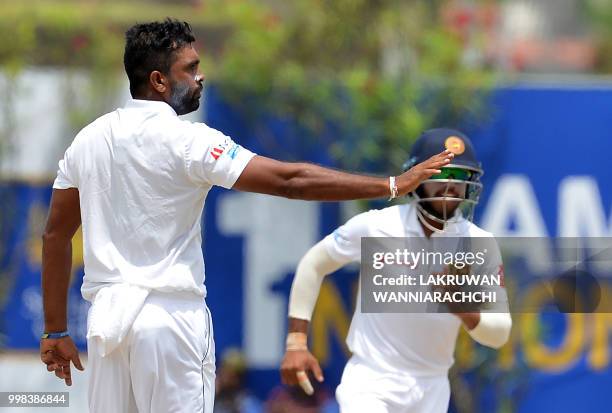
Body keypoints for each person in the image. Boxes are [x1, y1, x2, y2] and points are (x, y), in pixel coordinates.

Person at [39, 19, 453, 413]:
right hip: (170, 319)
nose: (201, 77)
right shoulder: (190, 141)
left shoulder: (88, 141)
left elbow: (55, 236)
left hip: (108, 323)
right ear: (158, 81)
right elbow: (291, 181)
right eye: (191, 68)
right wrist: (392, 185)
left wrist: (56, 331)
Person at [280, 128, 512, 413]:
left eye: (461, 177)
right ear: (416, 177)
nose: (450, 185)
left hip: (432, 386)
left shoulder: (479, 244)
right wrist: (296, 342)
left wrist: (461, 306)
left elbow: (499, 333)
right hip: (372, 378)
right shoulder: (377, 226)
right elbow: (314, 263)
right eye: (439, 174)